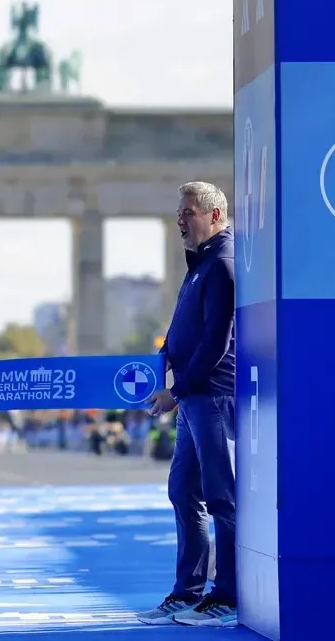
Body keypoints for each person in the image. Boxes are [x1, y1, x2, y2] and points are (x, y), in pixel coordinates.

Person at [138, 181, 238, 628]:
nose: (181, 219)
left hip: (210, 395)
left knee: (221, 498)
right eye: (179, 212)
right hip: (194, 399)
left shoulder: (222, 263)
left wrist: (174, 391)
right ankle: (187, 592)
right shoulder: (199, 263)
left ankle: (228, 596)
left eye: (189, 212)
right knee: (183, 492)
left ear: (215, 215)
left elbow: (217, 340)